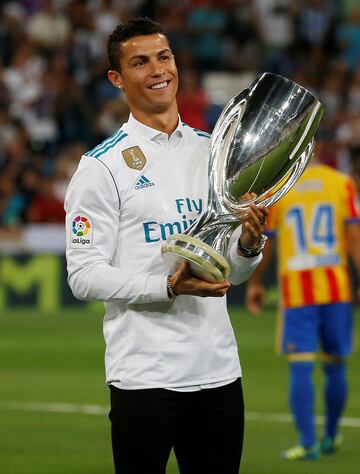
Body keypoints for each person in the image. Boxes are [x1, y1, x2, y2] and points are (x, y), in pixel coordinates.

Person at [64, 17, 269, 474]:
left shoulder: (213, 151)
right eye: (140, 62)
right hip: (144, 377)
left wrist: (248, 247)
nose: (158, 70)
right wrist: (169, 287)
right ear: (117, 78)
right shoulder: (100, 168)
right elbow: (82, 274)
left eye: (164, 57)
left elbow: (227, 272)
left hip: (218, 371)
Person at [245, 156, 360, 461]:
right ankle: (331, 435)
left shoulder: (284, 187)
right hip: (337, 289)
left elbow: (267, 240)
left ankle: (308, 442)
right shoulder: (341, 183)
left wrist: (256, 283)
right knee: (336, 365)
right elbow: (353, 240)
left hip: (298, 293)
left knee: (301, 366)